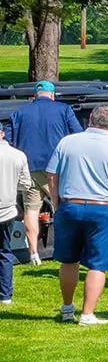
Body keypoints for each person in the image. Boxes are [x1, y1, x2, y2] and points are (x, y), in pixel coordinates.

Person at [48, 105, 108, 325]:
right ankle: (87, 314)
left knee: (69, 260)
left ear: (90, 118)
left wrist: (56, 203)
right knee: (98, 263)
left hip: (70, 204)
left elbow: (52, 175)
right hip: (103, 207)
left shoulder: (67, 142)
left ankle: (68, 306)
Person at [9, 80, 81, 265]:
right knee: (62, 208)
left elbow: (9, 141)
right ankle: (67, 248)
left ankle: (33, 253)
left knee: (31, 210)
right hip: (56, 169)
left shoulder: (19, 113)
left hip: (29, 168)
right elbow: (77, 134)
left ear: (34, 95)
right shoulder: (64, 109)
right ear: (52, 94)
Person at [0, 129, 30, 306]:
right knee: (4, 251)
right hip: (7, 210)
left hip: (7, 209)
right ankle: (5, 295)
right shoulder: (18, 155)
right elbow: (26, 184)